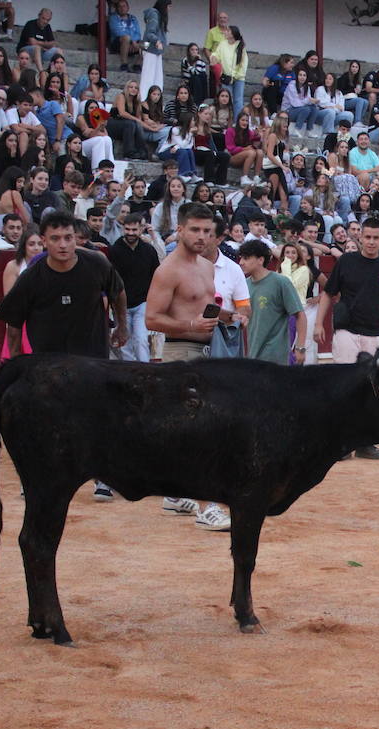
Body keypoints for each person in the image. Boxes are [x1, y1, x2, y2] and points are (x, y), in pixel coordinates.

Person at [0, 210, 128, 499]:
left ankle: (101, 478)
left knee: (98, 418)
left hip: (93, 361)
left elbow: (117, 292)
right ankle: (34, 477)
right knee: (45, 423)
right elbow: (13, 322)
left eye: (68, 238)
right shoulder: (32, 277)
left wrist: (122, 326)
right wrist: (18, 362)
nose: (63, 244)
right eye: (55, 239)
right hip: (48, 366)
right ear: (43, 241)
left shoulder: (96, 264)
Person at [142, 202, 236, 526]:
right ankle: (206, 506)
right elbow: (151, 319)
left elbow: (205, 306)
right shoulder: (168, 270)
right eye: (195, 230)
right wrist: (192, 327)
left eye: (207, 231)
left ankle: (173, 494)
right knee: (201, 432)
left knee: (188, 431)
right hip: (180, 352)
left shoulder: (207, 266)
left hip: (207, 353)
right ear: (180, 229)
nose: (202, 236)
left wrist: (230, 316)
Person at [312, 217, 379, 460]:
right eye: (367, 237)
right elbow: (329, 294)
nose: (371, 242)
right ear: (360, 237)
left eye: (376, 238)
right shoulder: (346, 262)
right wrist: (319, 323)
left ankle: (364, 442)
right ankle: (341, 442)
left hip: (377, 333)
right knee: (344, 387)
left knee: (373, 390)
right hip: (347, 331)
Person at [236, 239, 304, 366]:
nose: (241, 263)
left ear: (260, 260)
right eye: (241, 258)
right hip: (253, 353)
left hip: (276, 356)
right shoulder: (244, 285)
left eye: (245, 258)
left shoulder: (281, 282)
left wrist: (300, 347)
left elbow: (300, 315)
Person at [106, 210, 159, 361]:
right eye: (127, 229)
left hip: (142, 302)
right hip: (120, 305)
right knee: (125, 342)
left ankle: (145, 370)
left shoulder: (149, 250)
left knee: (141, 339)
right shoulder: (114, 250)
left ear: (141, 229)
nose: (130, 233)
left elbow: (156, 275)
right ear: (123, 229)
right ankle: (130, 373)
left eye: (134, 229)